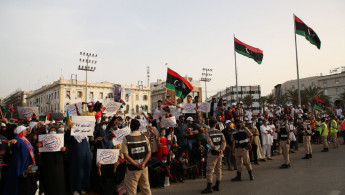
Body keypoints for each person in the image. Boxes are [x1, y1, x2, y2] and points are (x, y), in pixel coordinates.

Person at [4, 126, 37, 195]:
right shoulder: (18, 139)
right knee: (18, 183)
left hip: (28, 164)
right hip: (20, 165)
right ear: (21, 132)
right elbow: (13, 143)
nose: (26, 131)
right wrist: (12, 142)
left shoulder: (25, 139)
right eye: (25, 130)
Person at [121, 119, 152, 195]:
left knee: (131, 190)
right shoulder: (144, 137)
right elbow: (149, 152)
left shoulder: (126, 138)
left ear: (130, 127)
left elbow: (125, 155)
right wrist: (144, 163)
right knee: (146, 189)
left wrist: (136, 164)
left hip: (132, 169)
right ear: (139, 127)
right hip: (144, 168)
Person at [39, 125, 67, 195]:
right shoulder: (44, 139)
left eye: (54, 130)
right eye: (51, 130)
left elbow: (66, 151)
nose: (53, 132)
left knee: (59, 181)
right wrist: (39, 146)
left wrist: (65, 150)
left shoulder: (61, 140)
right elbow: (41, 152)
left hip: (59, 163)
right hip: (48, 163)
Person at [201, 119, 226, 194]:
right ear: (215, 125)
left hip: (213, 153)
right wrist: (221, 149)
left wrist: (216, 149)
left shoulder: (208, 133)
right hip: (220, 153)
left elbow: (210, 143)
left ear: (209, 124)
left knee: (209, 170)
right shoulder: (220, 132)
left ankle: (209, 187)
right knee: (218, 169)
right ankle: (217, 185)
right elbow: (224, 142)